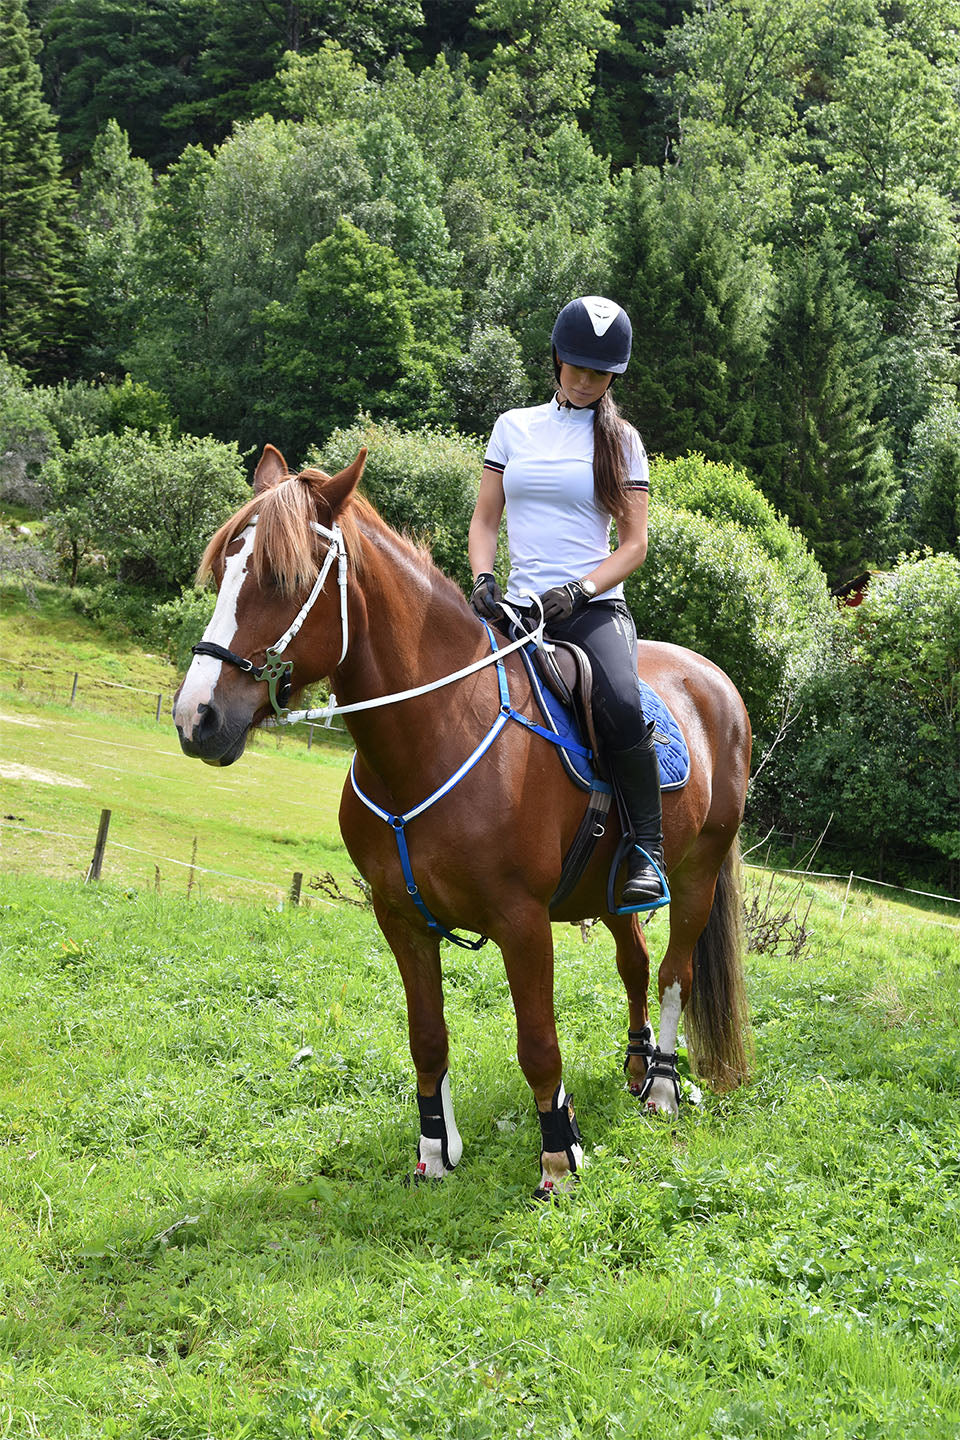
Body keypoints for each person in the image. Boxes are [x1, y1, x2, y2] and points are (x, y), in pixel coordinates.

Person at [467, 295, 665, 908]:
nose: (585, 381)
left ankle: (647, 851)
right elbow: (484, 519)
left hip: (591, 610)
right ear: (556, 358)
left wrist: (581, 589)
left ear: (614, 376)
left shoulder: (623, 442)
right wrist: (482, 580)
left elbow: (635, 546)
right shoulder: (513, 428)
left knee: (625, 705)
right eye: (577, 367)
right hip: (515, 610)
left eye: (599, 373)